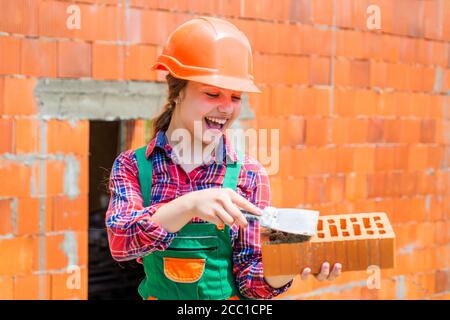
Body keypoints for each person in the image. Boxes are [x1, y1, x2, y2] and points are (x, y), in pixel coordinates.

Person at [105, 16, 342, 300]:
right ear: (177, 92)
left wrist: (289, 262)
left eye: (236, 97)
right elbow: (120, 242)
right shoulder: (133, 167)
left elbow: (252, 283)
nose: (226, 108)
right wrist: (191, 204)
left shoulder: (249, 174)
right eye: (212, 93)